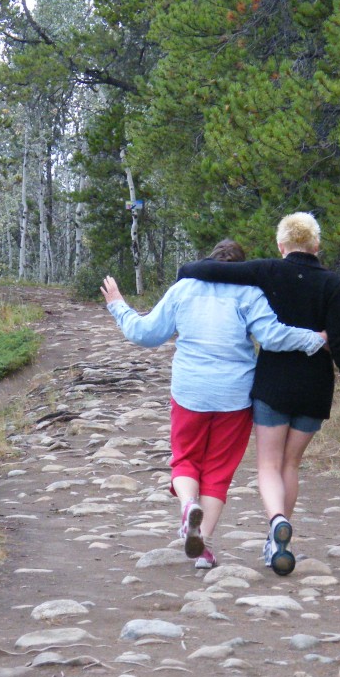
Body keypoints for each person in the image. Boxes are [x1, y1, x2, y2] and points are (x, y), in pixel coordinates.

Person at [101, 239, 327, 570]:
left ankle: (188, 506)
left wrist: (118, 305)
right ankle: (202, 545)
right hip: (234, 397)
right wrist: (315, 339)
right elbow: (273, 336)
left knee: (186, 459)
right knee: (218, 472)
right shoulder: (249, 293)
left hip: (190, 392)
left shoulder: (184, 289)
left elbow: (145, 333)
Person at [178, 213, 340, 576]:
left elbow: (216, 271)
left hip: (273, 385)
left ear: (281, 246)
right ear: (317, 246)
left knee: (268, 464)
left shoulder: (268, 270)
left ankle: (277, 518)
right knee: (291, 465)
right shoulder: (331, 282)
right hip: (315, 388)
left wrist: (187, 269)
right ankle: (277, 540)